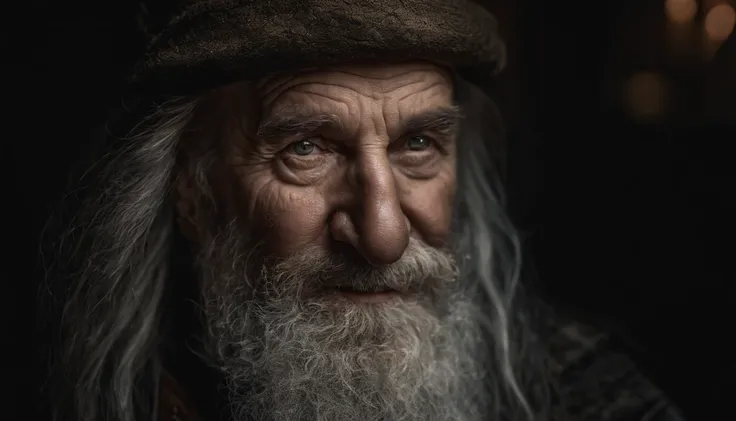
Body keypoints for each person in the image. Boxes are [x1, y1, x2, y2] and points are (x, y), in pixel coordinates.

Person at [38, 1, 686, 420]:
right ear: (191, 189)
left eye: (418, 144)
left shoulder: (581, 393)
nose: (383, 233)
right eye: (306, 148)